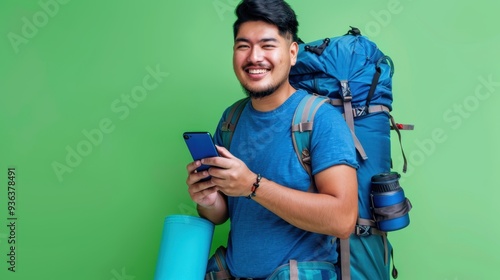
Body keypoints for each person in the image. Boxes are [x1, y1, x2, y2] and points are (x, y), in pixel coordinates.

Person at [186, 0, 359, 278]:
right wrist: (207, 200)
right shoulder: (232, 119)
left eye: (268, 45)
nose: (254, 57)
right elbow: (222, 215)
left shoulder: (320, 119)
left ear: (292, 53)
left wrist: (252, 185)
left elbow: (342, 219)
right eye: (244, 46)